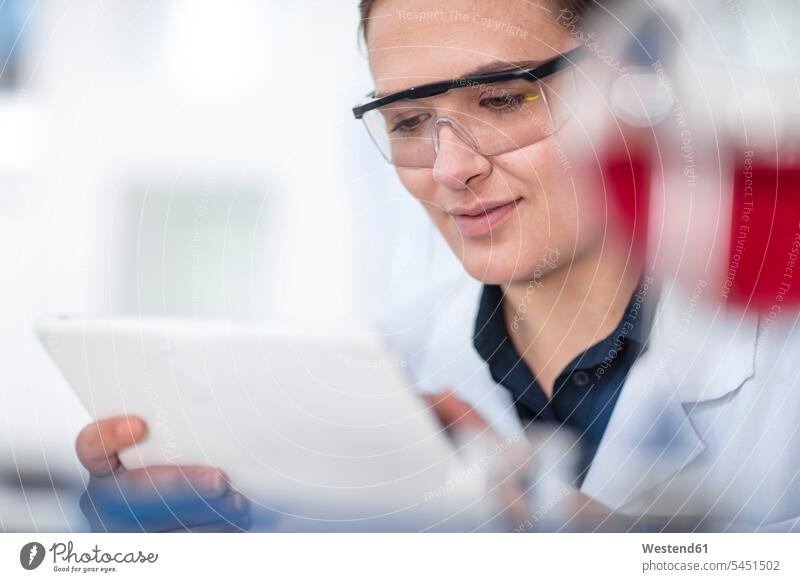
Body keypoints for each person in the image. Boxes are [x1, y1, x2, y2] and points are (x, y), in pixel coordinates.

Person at [76, 0, 800, 532]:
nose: (451, 168)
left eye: (503, 98)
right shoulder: (386, 367)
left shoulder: (779, 351)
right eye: (410, 122)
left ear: (627, 84)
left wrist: (564, 533)